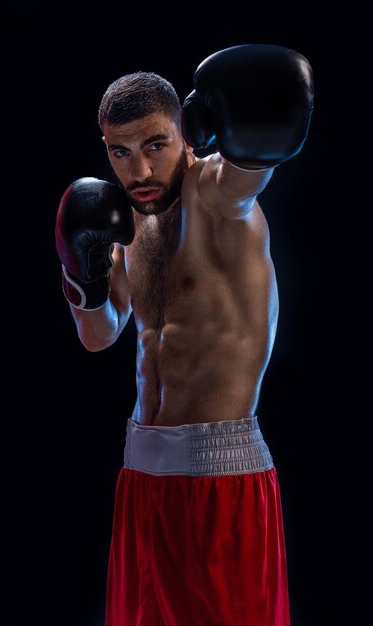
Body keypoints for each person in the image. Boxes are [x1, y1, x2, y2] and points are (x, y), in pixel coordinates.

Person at [55, 43, 314, 626]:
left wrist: (251, 126)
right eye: (121, 154)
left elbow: (250, 170)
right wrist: (79, 273)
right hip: (141, 478)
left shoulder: (218, 195)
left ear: (189, 131)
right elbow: (100, 336)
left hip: (220, 478)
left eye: (155, 145)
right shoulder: (124, 225)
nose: (139, 172)